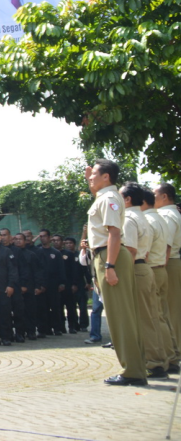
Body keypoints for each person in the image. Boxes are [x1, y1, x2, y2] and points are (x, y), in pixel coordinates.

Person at [87, 161, 146, 385]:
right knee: (123, 316)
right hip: (108, 256)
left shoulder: (109, 199)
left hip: (110, 256)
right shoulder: (106, 197)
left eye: (94, 174)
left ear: (106, 177)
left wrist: (110, 266)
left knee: (121, 317)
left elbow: (113, 233)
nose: (90, 177)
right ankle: (136, 367)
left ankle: (132, 371)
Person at [122, 183, 169, 378]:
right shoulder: (143, 217)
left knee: (143, 319)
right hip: (145, 267)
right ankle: (158, 360)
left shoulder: (129, 218)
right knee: (151, 317)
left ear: (128, 199)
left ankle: (153, 362)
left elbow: (131, 250)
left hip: (136, 268)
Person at [141, 187, 178, 372]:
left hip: (159, 266)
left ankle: (167, 357)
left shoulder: (158, 217)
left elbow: (162, 246)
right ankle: (171, 356)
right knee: (164, 313)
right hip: (163, 265)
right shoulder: (163, 216)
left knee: (160, 315)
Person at [155, 183, 181, 373]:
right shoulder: (169, 214)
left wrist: (161, 266)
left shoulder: (167, 215)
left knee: (170, 311)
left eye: (155, 194)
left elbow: (167, 246)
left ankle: (174, 351)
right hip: (170, 263)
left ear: (164, 196)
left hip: (168, 263)